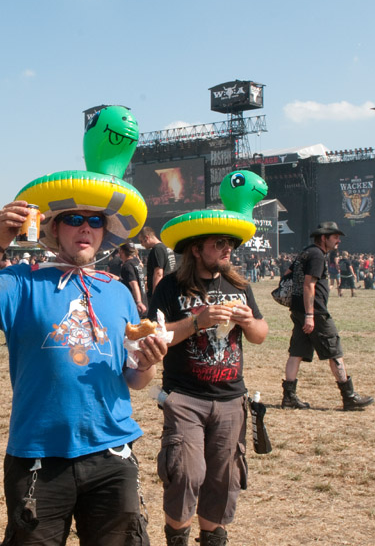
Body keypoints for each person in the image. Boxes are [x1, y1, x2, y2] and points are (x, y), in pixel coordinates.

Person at [0, 200, 167, 546]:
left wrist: (146, 364)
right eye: (74, 219)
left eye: (95, 220)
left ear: (104, 231)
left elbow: (135, 378)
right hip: (38, 456)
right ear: (54, 228)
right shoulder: (22, 281)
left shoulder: (117, 291)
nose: (85, 227)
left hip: (111, 455)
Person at [147, 221, 268, 546]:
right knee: (186, 472)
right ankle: (178, 539)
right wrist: (197, 322)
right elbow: (158, 336)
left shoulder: (238, 285)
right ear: (197, 249)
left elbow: (259, 335)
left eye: (230, 243)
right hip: (184, 398)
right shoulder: (171, 287)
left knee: (224, 479)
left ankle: (213, 539)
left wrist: (249, 321)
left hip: (231, 399)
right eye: (219, 243)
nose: (227, 248)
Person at [281, 222, 374, 411]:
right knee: (334, 351)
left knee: (296, 352)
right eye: (335, 237)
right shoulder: (317, 255)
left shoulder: (306, 252)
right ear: (324, 238)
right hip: (315, 312)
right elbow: (309, 284)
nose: (338, 240)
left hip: (299, 310)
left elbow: (287, 274)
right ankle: (349, 398)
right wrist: (310, 315)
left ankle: (289, 397)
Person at [139, 226, 175, 301]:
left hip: (162, 291)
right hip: (170, 289)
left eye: (141, 241)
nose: (142, 244)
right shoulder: (166, 247)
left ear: (147, 237)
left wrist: (155, 294)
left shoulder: (157, 249)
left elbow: (158, 273)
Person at [118, 242, 148, 316]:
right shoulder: (136, 261)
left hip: (136, 305)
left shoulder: (127, 266)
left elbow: (134, 284)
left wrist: (138, 302)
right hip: (144, 301)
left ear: (121, 251)